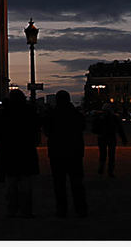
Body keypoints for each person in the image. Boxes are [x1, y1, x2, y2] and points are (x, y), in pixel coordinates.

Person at [0, 89, 40, 218]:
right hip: (26, 152)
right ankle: (27, 211)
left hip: (10, 153)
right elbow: (36, 131)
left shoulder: (4, 113)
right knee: (26, 185)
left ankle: (12, 210)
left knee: (11, 184)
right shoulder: (30, 112)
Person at [43, 90, 87, 218]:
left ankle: (61, 209)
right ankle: (81, 208)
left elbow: (47, 131)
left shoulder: (52, 115)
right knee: (77, 182)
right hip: (75, 152)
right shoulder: (76, 114)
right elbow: (82, 127)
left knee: (59, 183)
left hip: (57, 152)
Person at [92, 103, 128, 177]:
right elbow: (120, 129)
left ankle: (102, 167)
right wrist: (123, 138)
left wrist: (99, 132)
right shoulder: (114, 117)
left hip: (102, 137)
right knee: (111, 155)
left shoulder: (99, 118)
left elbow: (94, 128)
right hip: (111, 137)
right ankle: (110, 171)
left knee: (103, 153)